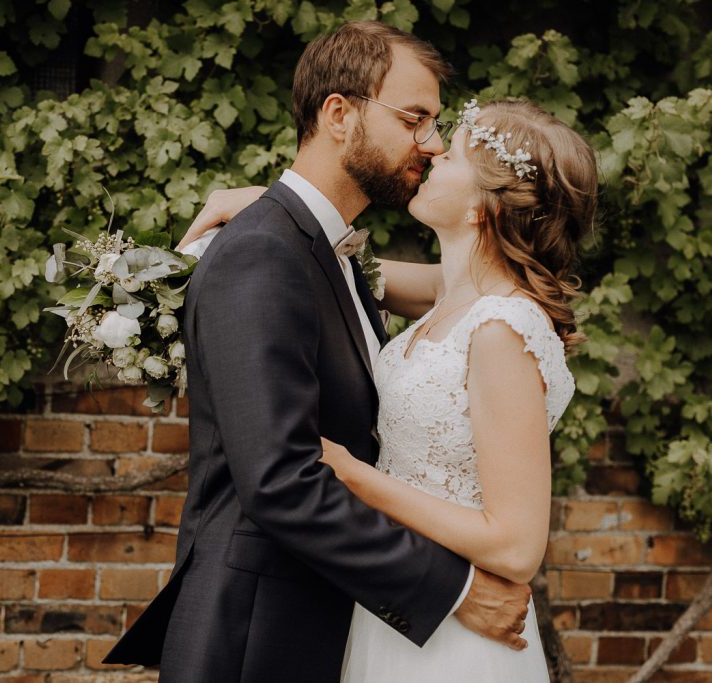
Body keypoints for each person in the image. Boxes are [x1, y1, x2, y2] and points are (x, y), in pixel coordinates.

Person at [102, 20, 533, 683]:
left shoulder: (322, 253)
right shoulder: (262, 253)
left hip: (321, 630)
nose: (434, 142)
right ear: (339, 114)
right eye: (415, 118)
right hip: (255, 636)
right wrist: (454, 589)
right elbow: (281, 480)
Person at [178, 97, 596, 681]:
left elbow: (517, 546)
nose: (430, 154)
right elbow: (340, 261)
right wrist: (271, 206)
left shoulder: (503, 327)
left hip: (457, 639)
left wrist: (355, 476)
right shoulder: (456, 296)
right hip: (393, 612)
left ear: (484, 208)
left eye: (450, 157)